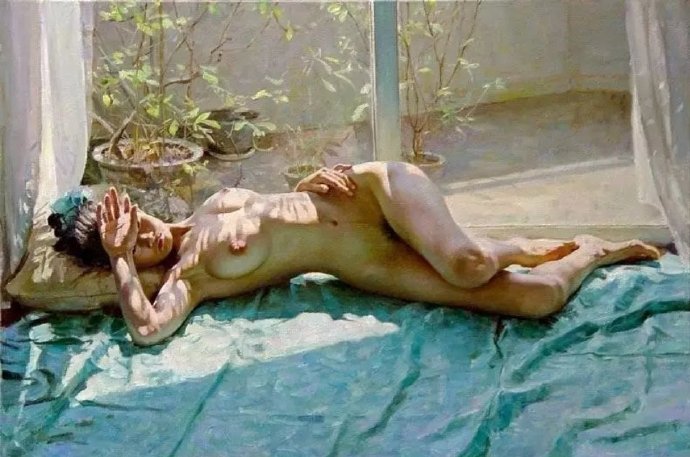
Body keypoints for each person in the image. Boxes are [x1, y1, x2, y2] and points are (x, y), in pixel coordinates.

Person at [49, 161, 660, 346]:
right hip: (365, 261)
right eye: (128, 243)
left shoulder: (214, 201)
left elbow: (284, 201)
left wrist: (307, 178)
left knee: (467, 264)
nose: (144, 235)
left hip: (371, 193)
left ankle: (515, 248)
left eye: (133, 220)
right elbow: (147, 331)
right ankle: (591, 252)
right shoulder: (191, 276)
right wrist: (120, 259)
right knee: (538, 299)